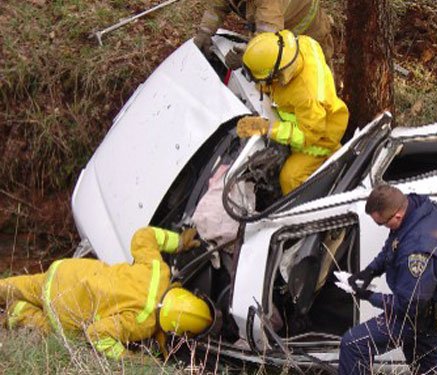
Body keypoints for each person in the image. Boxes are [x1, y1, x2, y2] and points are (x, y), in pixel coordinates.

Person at [0, 226, 213, 360]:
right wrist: (127, 357)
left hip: (65, 272)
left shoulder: (158, 271)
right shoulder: (142, 322)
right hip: (64, 309)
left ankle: (10, 297)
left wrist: (179, 242)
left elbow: (142, 236)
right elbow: (96, 334)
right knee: (46, 327)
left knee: (15, 286)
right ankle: (19, 313)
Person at [338, 185, 437, 375]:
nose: (384, 228)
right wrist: (371, 271)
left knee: (353, 344)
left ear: (396, 216)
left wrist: (369, 295)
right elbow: (395, 243)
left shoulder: (418, 250)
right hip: (429, 304)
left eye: (382, 224)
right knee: (425, 366)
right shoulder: (416, 206)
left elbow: (409, 305)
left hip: (419, 315)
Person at [235, 29, 348, 195]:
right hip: (315, 117)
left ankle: (304, 213)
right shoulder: (299, 46)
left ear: (279, 76)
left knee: (290, 178)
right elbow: (273, 56)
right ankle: (337, 161)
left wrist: (268, 128)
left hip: (320, 136)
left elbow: (308, 136)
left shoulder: (307, 95)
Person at [194, 0, 335, 65]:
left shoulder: (269, 3)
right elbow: (216, 7)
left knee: (315, 86)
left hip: (309, 36)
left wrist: (247, 58)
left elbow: (267, 40)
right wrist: (205, 32)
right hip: (279, 29)